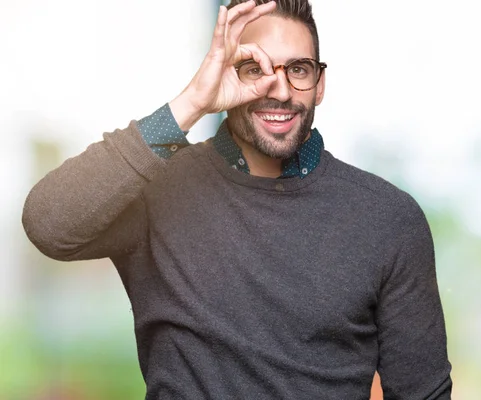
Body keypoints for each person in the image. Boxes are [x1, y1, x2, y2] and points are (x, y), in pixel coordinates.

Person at [22, 0, 453, 398]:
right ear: (226, 74)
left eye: (298, 70)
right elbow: (49, 224)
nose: (280, 91)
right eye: (255, 68)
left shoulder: (388, 219)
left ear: (319, 85)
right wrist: (191, 103)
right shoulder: (158, 190)